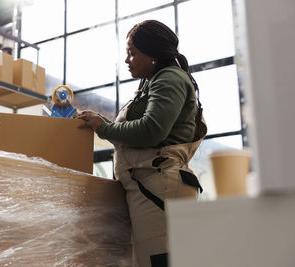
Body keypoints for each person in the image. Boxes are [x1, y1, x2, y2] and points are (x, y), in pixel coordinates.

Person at [77, 20, 207, 267]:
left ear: (153, 53)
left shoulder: (169, 78)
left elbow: (152, 130)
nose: (127, 60)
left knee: (159, 261)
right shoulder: (154, 81)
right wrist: (103, 122)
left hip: (159, 186)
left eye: (132, 52)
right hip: (150, 186)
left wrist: (104, 127)